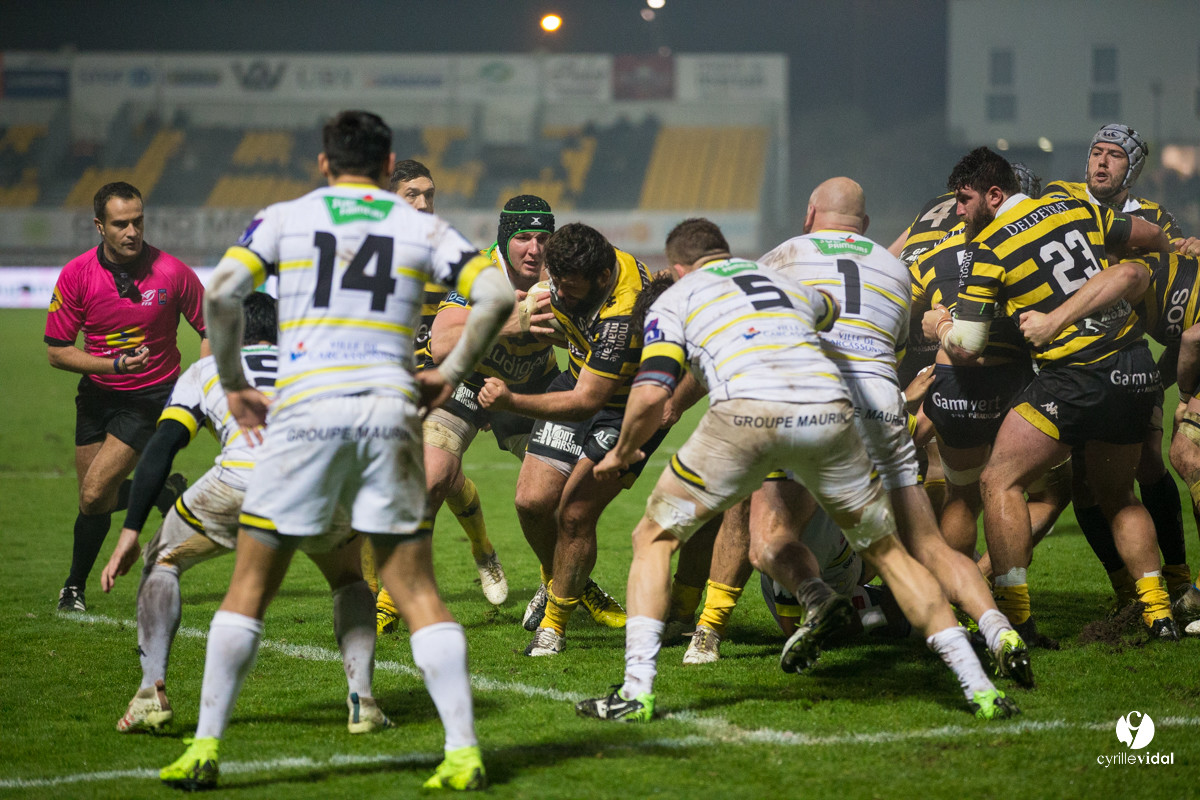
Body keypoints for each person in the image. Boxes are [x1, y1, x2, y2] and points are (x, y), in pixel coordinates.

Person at [158, 110, 514, 792]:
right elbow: (495, 295)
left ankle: (203, 747)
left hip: (305, 415)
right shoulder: (420, 226)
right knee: (415, 588)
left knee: (250, 586)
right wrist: (450, 370)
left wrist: (232, 383)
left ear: (324, 163)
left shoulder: (284, 217)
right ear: (387, 167)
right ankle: (463, 752)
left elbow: (223, 292)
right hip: (387, 415)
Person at [576, 217, 1018, 723]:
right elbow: (828, 310)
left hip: (748, 413)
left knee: (654, 536)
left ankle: (636, 691)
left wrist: (621, 452)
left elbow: (653, 389)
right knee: (893, 555)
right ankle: (980, 689)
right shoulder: (782, 281)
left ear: (678, 268)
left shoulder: (677, 297)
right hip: (830, 411)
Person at [760, 178, 1032, 684]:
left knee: (771, 538)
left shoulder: (781, 256)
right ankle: (998, 629)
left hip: (811, 399)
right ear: (864, 225)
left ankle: (818, 604)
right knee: (929, 546)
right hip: (881, 403)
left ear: (809, 214)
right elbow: (896, 348)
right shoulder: (894, 270)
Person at [99, 293, 390, 736]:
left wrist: (130, 530)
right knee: (350, 580)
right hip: (318, 486)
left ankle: (149, 694)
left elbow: (163, 446)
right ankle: (362, 702)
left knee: (163, 559)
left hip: (240, 483)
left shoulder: (208, 369)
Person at [926, 146, 1179, 641]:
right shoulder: (1073, 203)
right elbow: (1146, 235)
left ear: (994, 195)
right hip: (1134, 367)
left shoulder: (989, 247)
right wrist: (1173, 254)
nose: (957, 211)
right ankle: (1159, 613)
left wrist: (939, 325)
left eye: (964, 199)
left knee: (999, 480)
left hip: (1076, 375)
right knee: (1119, 495)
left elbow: (969, 346)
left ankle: (1015, 616)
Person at [478, 222, 657, 656]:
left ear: (602, 278)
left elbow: (585, 402)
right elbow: (563, 318)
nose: (559, 292)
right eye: (555, 281)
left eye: (569, 287)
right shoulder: (576, 266)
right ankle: (560, 580)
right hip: (579, 377)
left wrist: (510, 401)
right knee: (531, 502)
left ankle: (553, 627)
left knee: (575, 514)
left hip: (627, 408)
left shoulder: (623, 315)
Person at [1042, 125, 1196, 609]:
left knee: (1150, 460)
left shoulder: (1155, 218)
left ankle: (1178, 580)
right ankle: (1126, 590)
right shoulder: (1060, 198)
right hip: (1064, 353)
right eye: (1097, 153)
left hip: (1127, 354)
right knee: (1084, 480)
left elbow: (1179, 269)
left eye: (1114, 156)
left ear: (1132, 170)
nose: (1102, 163)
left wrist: (1189, 248)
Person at [372, 162, 524, 633]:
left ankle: (384, 597)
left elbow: (480, 319)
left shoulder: (452, 256)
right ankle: (482, 548)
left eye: (429, 195)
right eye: (411, 195)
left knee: (428, 477)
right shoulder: (364, 256)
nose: (423, 204)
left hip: (443, 383)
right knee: (424, 479)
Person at [45, 181, 206, 613]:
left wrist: (202, 381)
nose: (132, 231)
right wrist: (113, 366)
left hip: (150, 397)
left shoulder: (173, 272)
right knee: (92, 500)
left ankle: (72, 588)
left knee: (95, 494)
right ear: (100, 226)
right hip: (96, 396)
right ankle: (161, 492)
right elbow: (57, 352)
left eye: (138, 221)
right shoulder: (77, 274)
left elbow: (211, 329)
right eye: (120, 224)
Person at [420, 195, 560, 606]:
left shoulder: (560, 275)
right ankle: (395, 600)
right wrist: (506, 322)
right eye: (523, 238)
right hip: (469, 380)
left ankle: (559, 585)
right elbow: (441, 345)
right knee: (430, 479)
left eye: (542, 239)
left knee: (555, 497)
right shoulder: (479, 273)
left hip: (531, 384)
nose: (534, 249)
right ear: (504, 239)